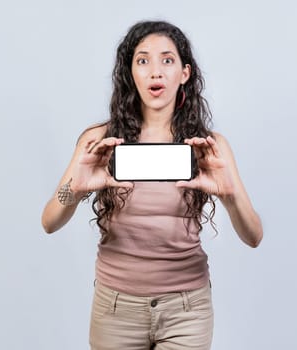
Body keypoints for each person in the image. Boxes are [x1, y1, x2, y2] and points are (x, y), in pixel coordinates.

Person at [41, 20, 263, 350]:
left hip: (187, 310)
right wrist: (73, 189)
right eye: (143, 61)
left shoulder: (209, 147)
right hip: (115, 309)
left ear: (184, 73)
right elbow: (50, 221)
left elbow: (253, 236)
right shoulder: (98, 141)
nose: (155, 72)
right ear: (130, 73)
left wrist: (230, 196)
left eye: (167, 60)